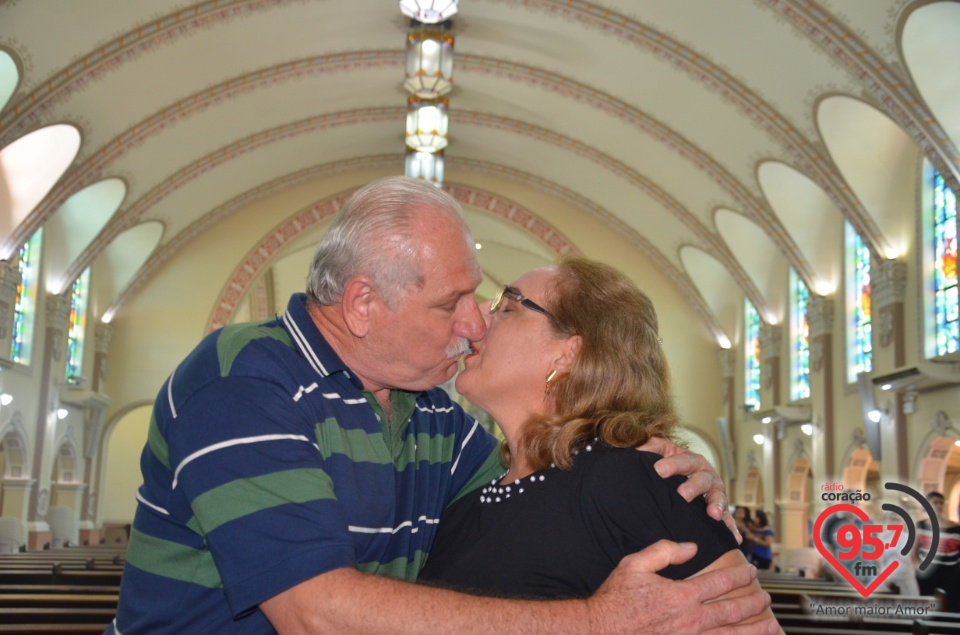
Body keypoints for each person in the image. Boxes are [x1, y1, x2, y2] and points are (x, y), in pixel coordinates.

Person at [108, 176, 775, 634]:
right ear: (364, 303)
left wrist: (670, 470)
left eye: (490, 300)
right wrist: (598, 623)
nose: (475, 324)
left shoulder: (435, 419)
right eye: (451, 303)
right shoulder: (245, 383)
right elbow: (318, 614)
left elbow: (544, 483)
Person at [417, 259, 779, 632]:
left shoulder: (633, 481)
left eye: (507, 307)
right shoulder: (466, 499)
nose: (476, 319)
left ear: (569, 353)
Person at [916, 491, 960, 610]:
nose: (939, 505)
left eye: (941, 503)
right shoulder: (921, 526)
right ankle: (927, 626)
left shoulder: (956, 527)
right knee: (927, 601)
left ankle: (950, 626)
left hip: (951, 571)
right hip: (927, 569)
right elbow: (913, 551)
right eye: (935, 503)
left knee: (952, 602)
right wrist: (917, 566)